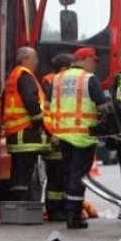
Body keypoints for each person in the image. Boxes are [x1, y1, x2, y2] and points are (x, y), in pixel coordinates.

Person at [47, 47, 109, 229]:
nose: (95, 65)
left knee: (69, 174)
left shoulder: (57, 79)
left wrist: (53, 132)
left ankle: (70, 211)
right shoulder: (88, 79)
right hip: (83, 135)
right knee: (78, 175)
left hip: (62, 135)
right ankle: (74, 215)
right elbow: (103, 107)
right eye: (93, 61)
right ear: (84, 60)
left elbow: (48, 107)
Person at [2, 47, 50, 202]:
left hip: (16, 131)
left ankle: (18, 205)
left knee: (19, 170)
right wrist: (38, 122)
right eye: (34, 58)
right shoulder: (24, 76)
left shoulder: (14, 76)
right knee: (24, 170)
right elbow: (30, 100)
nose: (37, 62)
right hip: (25, 132)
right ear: (25, 59)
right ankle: (22, 204)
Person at [40, 53, 73, 221]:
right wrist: (52, 134)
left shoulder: (60, 82)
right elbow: (48, 112)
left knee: (62, 176)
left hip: (64, 136)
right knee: (56, 177)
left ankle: (61, 209)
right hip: (55, 137)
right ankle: (54, 210)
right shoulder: (51, 82)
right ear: (63, 69)